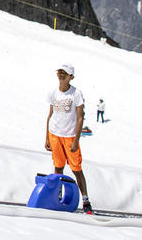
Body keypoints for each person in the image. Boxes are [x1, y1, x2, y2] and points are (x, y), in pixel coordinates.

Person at [46, 63, 92, 215]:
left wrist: (76, 140)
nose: (61, 75)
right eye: (59, 72)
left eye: (64, 73)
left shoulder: (76, 93)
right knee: (58, 167)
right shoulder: (53, 92)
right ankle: (56, 197)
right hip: (55, 134)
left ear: (71, 77)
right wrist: (47, 137)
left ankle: (86, 201)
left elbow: (80, 118)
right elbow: (50, 115)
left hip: (70, 136)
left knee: (76, 169)